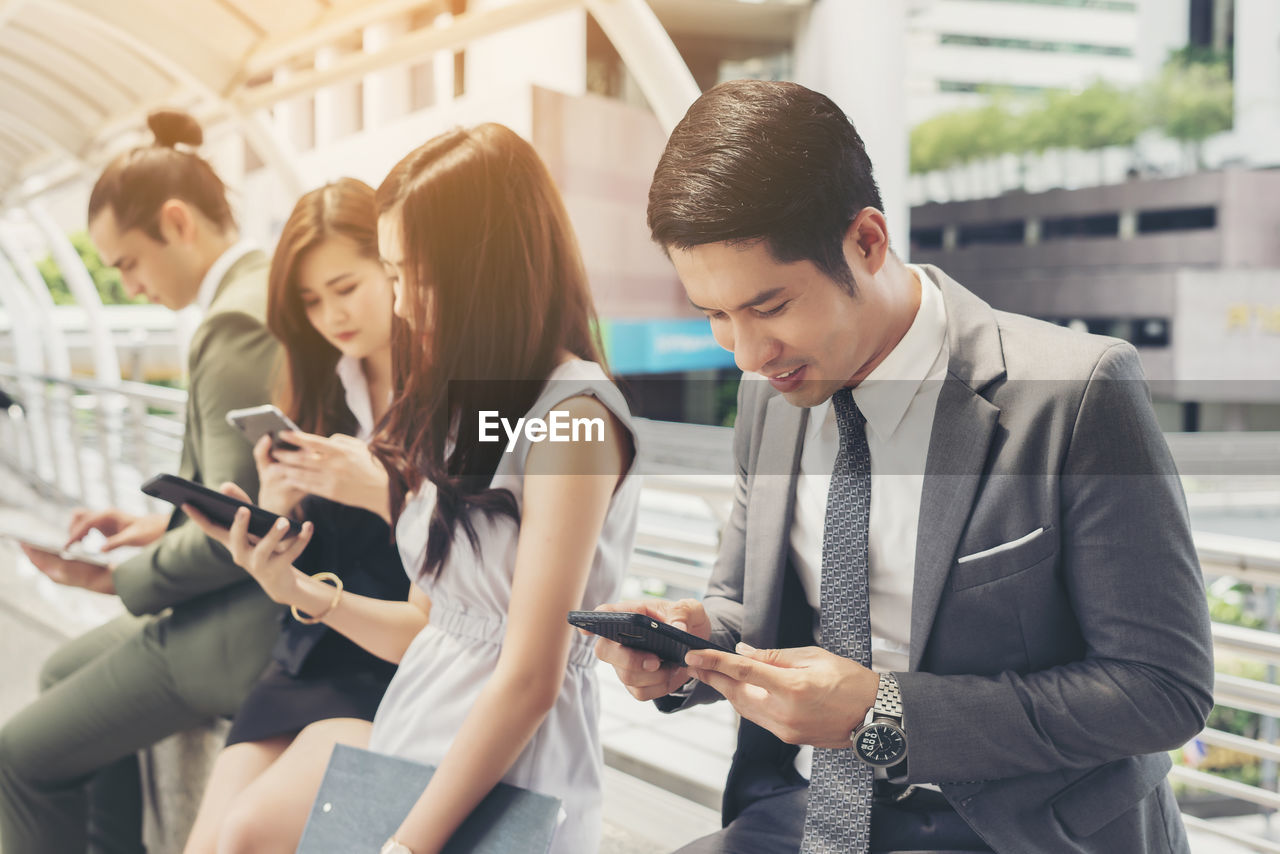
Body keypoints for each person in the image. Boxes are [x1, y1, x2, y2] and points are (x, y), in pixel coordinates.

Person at [592, 80, 1214, 854]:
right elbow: (744, 606)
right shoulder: (768, 396)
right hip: (813, 811)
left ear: (867, 241)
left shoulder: (1077, 394)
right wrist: (691, 646)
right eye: (714, 315)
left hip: (1027, 831)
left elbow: (1162, 689)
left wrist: (880, 710)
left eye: (770, 306)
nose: (748, 354)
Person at [187, 122, 641, 854]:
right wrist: (301, 593)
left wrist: (406, 844)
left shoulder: (575, 416)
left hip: (501, 779)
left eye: (411, 275)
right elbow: (437, 630)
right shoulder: (470, 407)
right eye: (391, 275)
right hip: (417, 742)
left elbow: (529, 676)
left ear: (483, 265)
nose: (398, 306)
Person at [0, 110, 282, 854]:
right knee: (62, 669)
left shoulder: (234, 325)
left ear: (178, 222)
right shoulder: (256, 292)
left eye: (128, 263)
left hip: (245, 627)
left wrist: (113, 579)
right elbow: (253, 492)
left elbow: (240, 537)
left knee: (18, 758)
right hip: (248, 605)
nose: (128, 285)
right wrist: (159, 527)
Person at [182, 178, 412, 854]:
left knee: (247, 835)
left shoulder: (448, 393)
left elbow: (462, 556)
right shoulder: (318, 384)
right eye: (310, 300)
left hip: (395, 661)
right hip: (308, 653)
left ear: (393, 265)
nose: (330, 315)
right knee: (206, 844)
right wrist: (271, 519)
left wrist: (379, 492)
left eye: (346, 287)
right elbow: (311, 569)